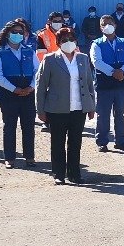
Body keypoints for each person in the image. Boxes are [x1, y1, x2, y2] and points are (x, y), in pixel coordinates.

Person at [35, 27, 96, 185]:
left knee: (75, 143)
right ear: (58, 42)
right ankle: (58, 174)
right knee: (58, 142)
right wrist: (40, 110)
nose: (68, 43)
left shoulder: (83, 58)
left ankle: (75, 174)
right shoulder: (50, 59)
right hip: (57, 109)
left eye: (71, 39)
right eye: (64, 40)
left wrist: (91, 107)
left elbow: (89, 84)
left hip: (78, 107)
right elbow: (41, 86)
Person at [0, 20, 38, 168]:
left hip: (28, 93)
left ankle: (29, 157)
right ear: (7, 34)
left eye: (20, 32)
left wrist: (31, 87)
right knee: (9, 126)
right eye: (14, 32)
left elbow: (38, 71)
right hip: (9, 94)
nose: (18, 35)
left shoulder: (29, 50)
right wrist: (14, 89)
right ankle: (9, 158)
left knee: (29, 126)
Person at [90, 14, 124, 153]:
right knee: (103, 114)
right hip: (105, 83)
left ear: (115, 25)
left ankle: (121, 141)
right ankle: (102, 141)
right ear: (101, 27)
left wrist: (122, 71)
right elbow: (96, 62)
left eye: (110, 23)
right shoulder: (96, 43)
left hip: (121, 83)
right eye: (104, 24)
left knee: (119, 113)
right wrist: (113, 72)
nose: (107, 25)